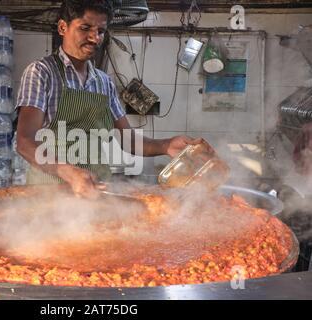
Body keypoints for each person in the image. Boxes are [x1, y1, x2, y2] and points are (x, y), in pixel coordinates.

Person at [16, 0, 202, 198]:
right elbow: (25, 142)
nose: (95, 38)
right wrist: (69, 173)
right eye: (85, 28)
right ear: (63, 27)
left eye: (101, 31)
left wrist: (166, 145)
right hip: (49, 196)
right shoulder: (41, 73)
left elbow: (128, 140)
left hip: (97, 194)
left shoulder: (104, 82)